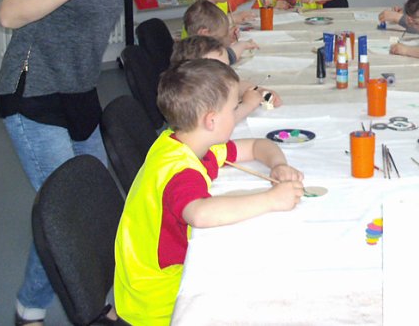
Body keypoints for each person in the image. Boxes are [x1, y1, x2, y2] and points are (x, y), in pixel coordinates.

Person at [0, 0, 159, 326]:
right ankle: (81, 311)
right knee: (73, 213)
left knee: (81, 207)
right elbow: (9, 13)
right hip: (36, 94)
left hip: (78, 91)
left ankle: (28, 305)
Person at [113, 59, 304, 325]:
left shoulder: (185, 142)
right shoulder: (180, 170)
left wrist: (278, 165)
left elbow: (256, 145)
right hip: (161, 299)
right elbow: (200, 214)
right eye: (234, 107)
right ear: (212, 120)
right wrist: (271, 200)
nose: (237, 112)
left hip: (149, 281)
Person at [170, 35, 282, 122]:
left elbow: (237, 84)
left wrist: (258, 90)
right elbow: (220, 122)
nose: (227, 73)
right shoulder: (192, 99)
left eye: (227, 66)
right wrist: (248, 105)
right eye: (219, 69)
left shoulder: (217, 83)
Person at [183, 0, 258, 63]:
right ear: (204, 34)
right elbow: (230, 56)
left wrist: (235, 42)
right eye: (222, 36)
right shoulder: (206, 59)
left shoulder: (190, 49)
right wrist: (242, 45)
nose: (223, 40)